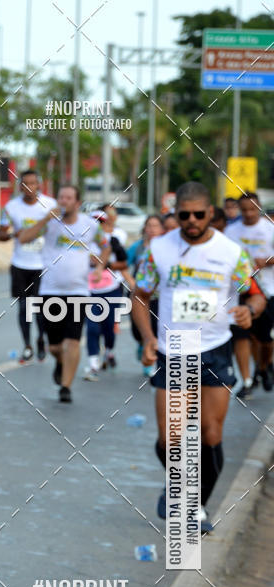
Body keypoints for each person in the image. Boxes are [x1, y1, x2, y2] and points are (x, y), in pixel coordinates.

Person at [132, 181, 265, 533]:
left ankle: (196, 506)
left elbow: (256, 295)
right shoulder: (158, 249)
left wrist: (249, 310)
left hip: (216, 349)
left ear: (210, 213)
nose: (191, 220)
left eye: (198, 214)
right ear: (175, 214)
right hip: (174, 350)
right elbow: (140, 295)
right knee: (170, 439)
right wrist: (147, 337)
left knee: (210, 434)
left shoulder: (231, 252)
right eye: (184, 215)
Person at [17, 184, 109, 402]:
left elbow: (105, 246)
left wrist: (98, 268)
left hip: (79, 292)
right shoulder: (49, 224)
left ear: (77, 203)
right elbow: (23, 239)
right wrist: (45, 220)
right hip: (50, 291)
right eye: (61, 197)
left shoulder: (90, 225)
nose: (64, 201)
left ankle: (65, 387)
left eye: (69, 198)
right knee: (55, 346)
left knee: (73, 342)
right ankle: (60, 362)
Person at [0, 170, 54, 362]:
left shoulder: (50, 206)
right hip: (20, 264)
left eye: (34, 183)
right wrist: (14, 234)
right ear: (21, 187)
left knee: (39, 309)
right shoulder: (11, 207)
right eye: (26, 184)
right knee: (23, 308)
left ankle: (41, 340)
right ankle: (27, 344)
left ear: (40, 185)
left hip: (43, 265)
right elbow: (0, 235)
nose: (30, 188)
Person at [225, 192, 274, 393]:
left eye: (252, 209)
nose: (248, 213)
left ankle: (264, 366)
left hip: (268, 289)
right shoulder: (231, 230)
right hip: (240, 291)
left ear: (259, 208)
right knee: (245, 336)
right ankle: (248, 379)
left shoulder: (270, 228)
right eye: (244, 209)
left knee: (265, 339)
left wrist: (268, 261)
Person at [83, 207, 133, 379]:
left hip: (111, 290)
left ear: (107, 224)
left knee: (108, 328)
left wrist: (105, 264)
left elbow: (124, 264)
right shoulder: (82, 243)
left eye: (101, 222)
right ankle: (93, 363)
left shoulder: (113, 242)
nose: (98, 226)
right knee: (92, 327)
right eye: (94, 222)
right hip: (88, 291)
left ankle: (109, 351)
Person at [128, 214, 165, 376]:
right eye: (149, 226)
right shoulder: (137, 247)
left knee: (155, 329)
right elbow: (123, 264)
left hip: (159, 297)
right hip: (140, 294)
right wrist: (131, 281)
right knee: (138, 330)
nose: (152, 229)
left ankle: (151, 362)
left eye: (155, 226)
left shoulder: (167, 248)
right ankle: (142, 343)